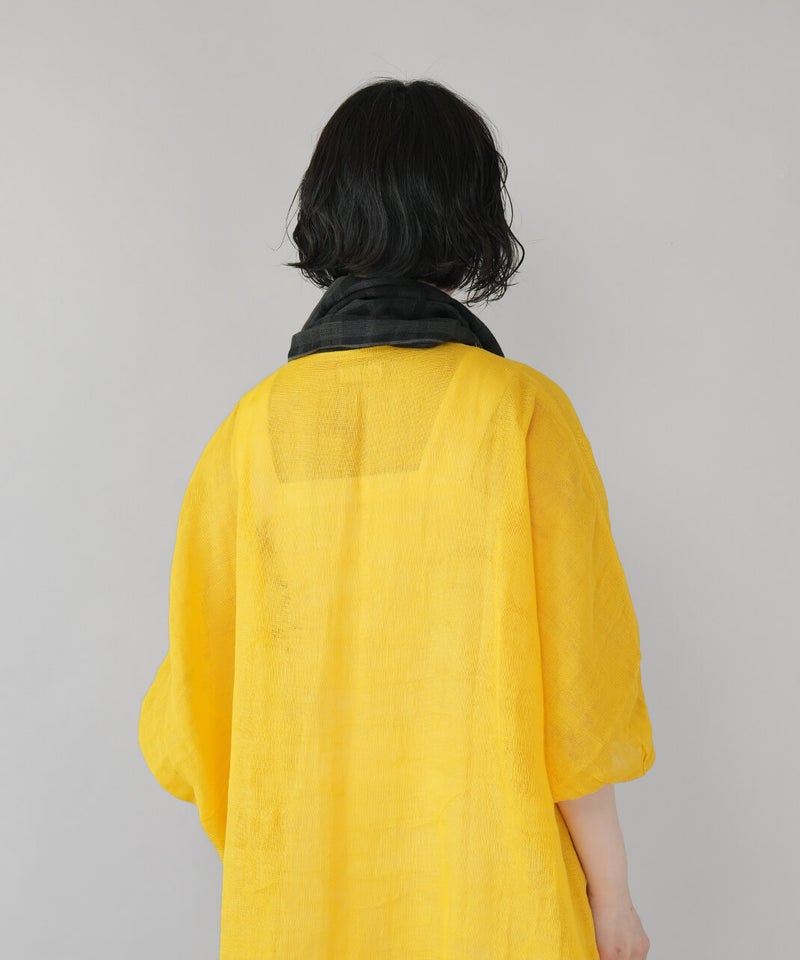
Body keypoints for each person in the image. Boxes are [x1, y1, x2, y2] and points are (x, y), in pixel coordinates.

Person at [138, 77, 656, 960]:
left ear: (328, 209)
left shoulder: (248, 432)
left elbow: (191, 720)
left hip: (298, 917)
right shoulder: (521, 415)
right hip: (500, 908)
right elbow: (581, 698)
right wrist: (612, 897)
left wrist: (299, 852)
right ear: (469, 215)